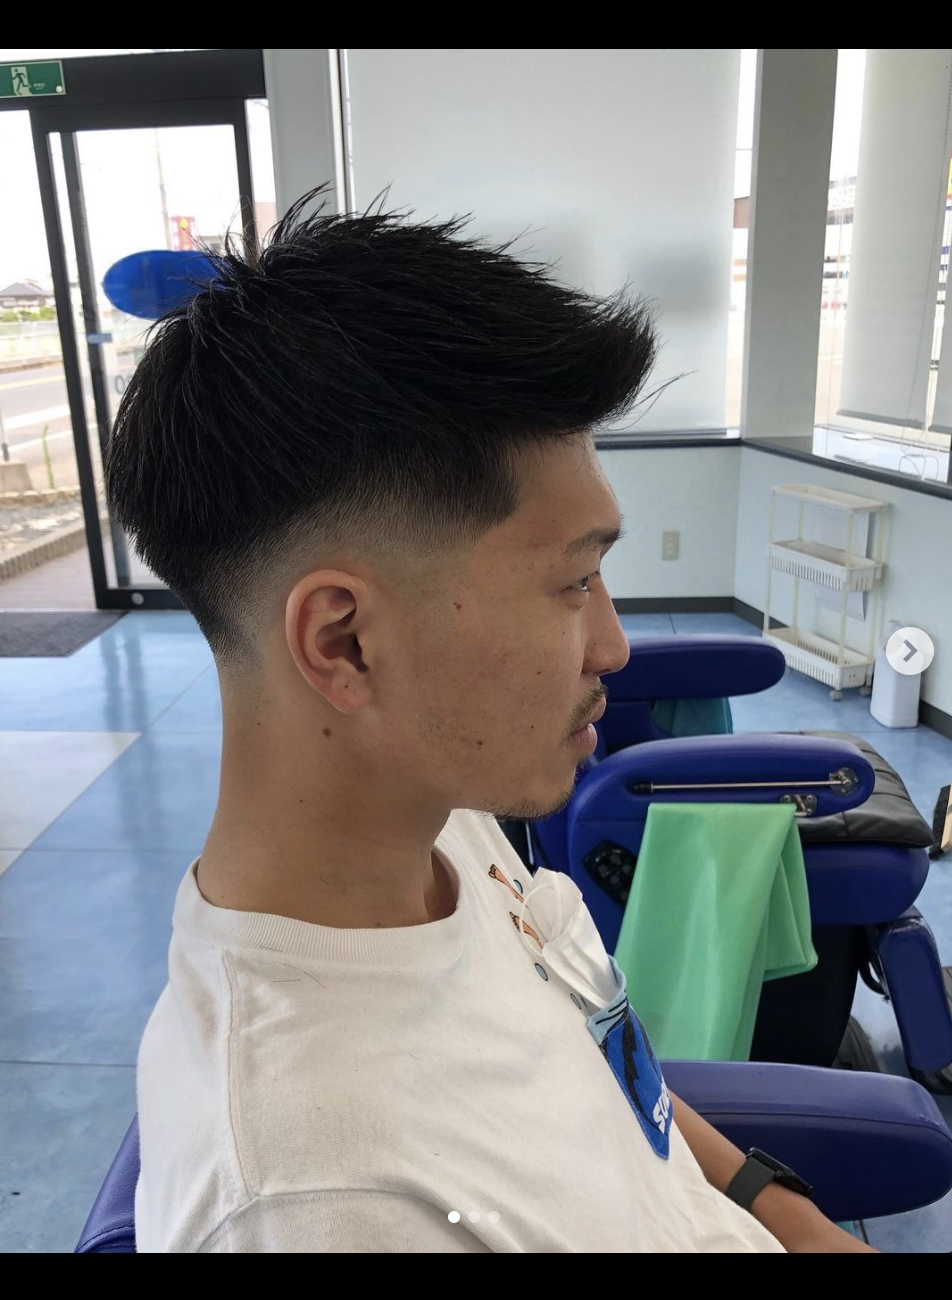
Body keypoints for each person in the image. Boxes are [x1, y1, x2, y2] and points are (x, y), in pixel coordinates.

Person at [108, 188, 873, 1253]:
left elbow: (613, 1067)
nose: (612, 646)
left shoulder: (446, 828)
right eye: (574, 581)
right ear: (345, 642)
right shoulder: (328, 1203)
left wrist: (783, 1211)